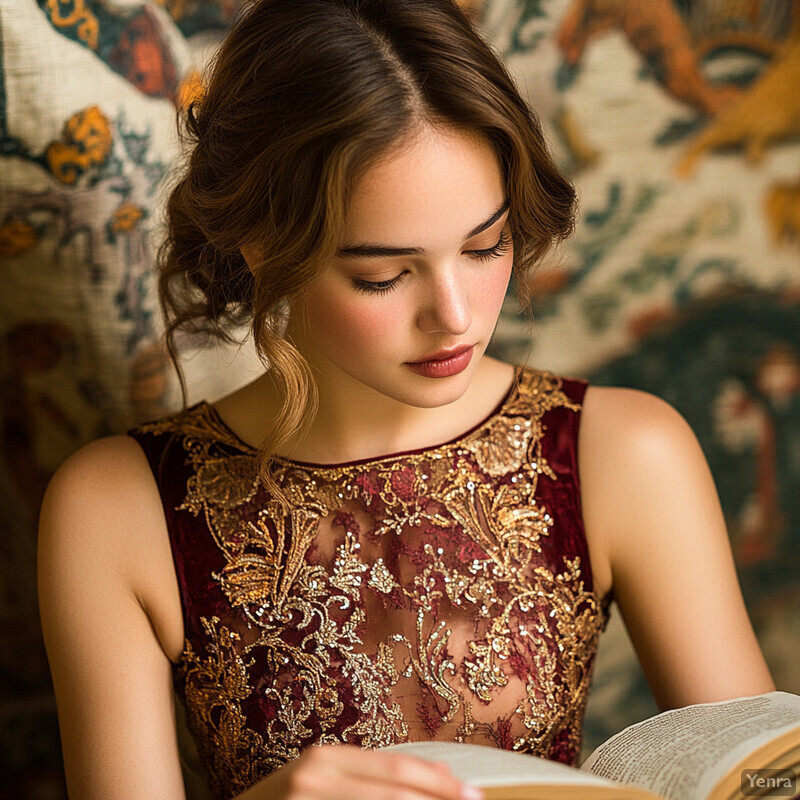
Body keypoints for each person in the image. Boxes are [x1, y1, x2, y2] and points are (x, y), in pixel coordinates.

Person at [37, 0, 776, 798]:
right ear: (263, 247)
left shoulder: (621, 452)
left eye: (486, 245)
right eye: (382, 274)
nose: (455, 316)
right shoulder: (118, 508)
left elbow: (752, 776)